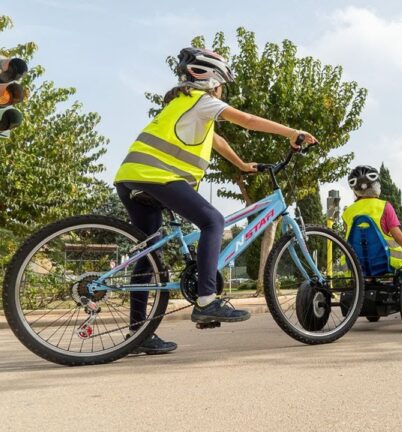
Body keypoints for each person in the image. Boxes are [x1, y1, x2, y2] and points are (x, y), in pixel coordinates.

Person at [113, 47, 317, 354]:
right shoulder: (202, 100)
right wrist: (293, 132)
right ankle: (207, 301)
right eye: (222, 85)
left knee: (148, 256)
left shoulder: (181, 103)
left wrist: (241, 164)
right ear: (212, 80)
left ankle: (137, 334)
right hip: (158, 176)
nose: (222, 91)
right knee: (213, 221)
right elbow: (247, 120)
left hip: (131, 177)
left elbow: (216, 140)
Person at [342, 165, 402, 270]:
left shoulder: (347, 212)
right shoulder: (384, 206)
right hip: (383, 260)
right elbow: (398, 236)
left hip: (355, 262)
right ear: (376, 186)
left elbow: (351, 238)